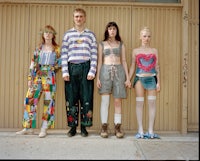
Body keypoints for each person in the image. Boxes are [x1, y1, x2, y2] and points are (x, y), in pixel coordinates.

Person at [16, 25, 61, 138]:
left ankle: (44, 128)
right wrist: (30, 78)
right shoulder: (38, 48)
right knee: (30, 99)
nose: (48, 34)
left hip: (50, 76)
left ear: (53, 35)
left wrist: (51, 69)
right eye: (46, 32)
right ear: (43, 34)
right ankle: (28, 127)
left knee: (48, 102)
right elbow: (33, 63)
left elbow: (60, 63)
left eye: (50, 32)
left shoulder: (57, 49)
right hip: (38, 76)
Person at [61, 8, 97, 137]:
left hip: (86, 68)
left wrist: (92, 70)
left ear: (85, 18)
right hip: (71, 68)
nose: (79, 19)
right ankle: (72, 127)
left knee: (86, 98)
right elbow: (64, 54)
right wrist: (65, 72)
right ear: (73, 18)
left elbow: (94, 54)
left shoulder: (90, 35)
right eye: (76, 16)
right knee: (71, 99)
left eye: (81, 16)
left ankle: (84, 127)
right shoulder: (67, 35)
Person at [96, 22, 131, 138]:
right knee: (105, 101)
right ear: (107, 30)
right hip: (105, 72)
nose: (112, 31)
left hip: (119, 72)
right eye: (110, 29)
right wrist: (98, 78)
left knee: (117, 101)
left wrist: (127, 78)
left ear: (117, 31)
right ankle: (104, 127)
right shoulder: (102, 44)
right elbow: (100, 61)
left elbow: (124, 61)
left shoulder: (121, 44)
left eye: (114, 29)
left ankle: (117, 127)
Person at [129, 27, 160, 139]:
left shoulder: (154, 50)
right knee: (139, 103)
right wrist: (128, 78)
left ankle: (151, 130)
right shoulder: (135, 51)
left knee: (152, 104)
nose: (146, 38)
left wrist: (158, 82)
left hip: (151, 78)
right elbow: (133, 66)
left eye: (148, 36)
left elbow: (157, 67)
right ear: (140, 37)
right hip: (139, 79)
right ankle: (140, 129)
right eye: (144, 36)